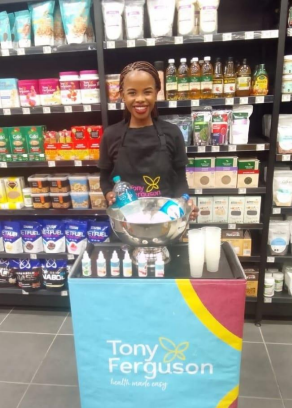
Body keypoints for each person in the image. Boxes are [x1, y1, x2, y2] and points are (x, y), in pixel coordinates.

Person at [99, 61, 198, 220]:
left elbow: (180, 179)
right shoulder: (111, 135)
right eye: (132, 93)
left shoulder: (172, 133)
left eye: (147, 92)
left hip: (165, 220)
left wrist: (184, 203)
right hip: (127, 222)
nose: (140, 99)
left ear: (156, 92)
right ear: (122, 94)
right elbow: (104, 178)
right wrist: (108, 193)